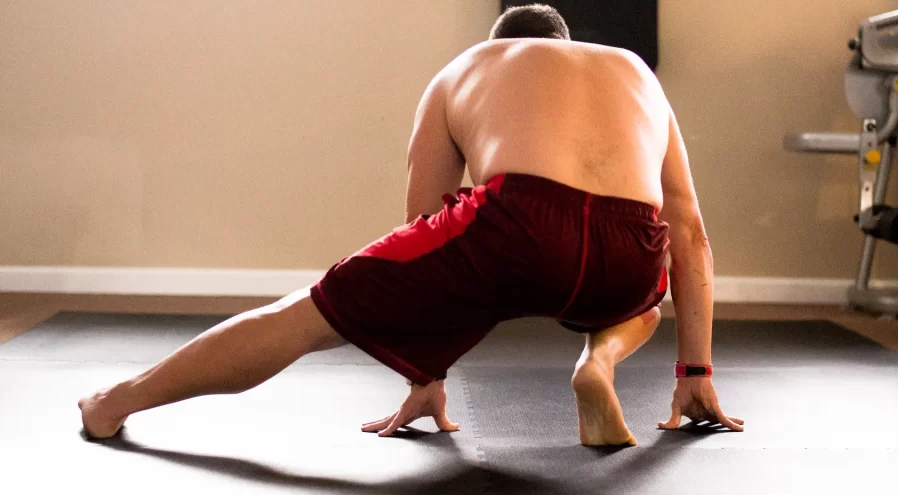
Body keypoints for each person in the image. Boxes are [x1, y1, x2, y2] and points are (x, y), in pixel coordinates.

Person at [78, 4, 743, 446]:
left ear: (498, 45)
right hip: (627, 253)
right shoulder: (634, 71)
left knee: (304, 315)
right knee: (645, 301)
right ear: (566, 45)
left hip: (518, 222)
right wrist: (696, 370)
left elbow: (425, 225)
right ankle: (598, 359)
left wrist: (423, 371)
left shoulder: (466, 68)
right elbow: (689, 235)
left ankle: (115, 403)